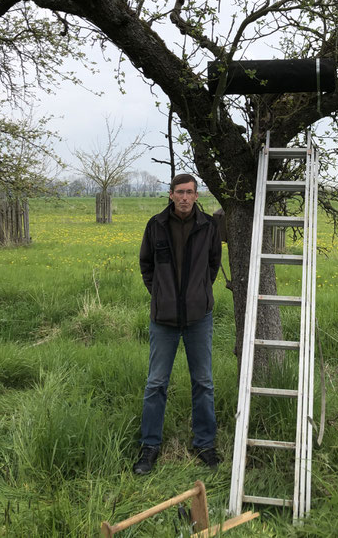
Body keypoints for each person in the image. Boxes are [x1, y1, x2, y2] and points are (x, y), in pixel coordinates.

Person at [133, 173, 222, 475]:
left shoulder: (208, 226)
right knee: (156, 383)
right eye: (179, 192)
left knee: (204, 382)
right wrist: (160, 294)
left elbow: (213, 265)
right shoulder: (155, 226)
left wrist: (198, 293)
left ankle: (205, 444)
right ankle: (150, 447)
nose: (184, 197)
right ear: (170, 195)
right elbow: (146, 265)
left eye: (190, 192)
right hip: (164, 319)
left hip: (199, 317)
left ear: (197, 196)